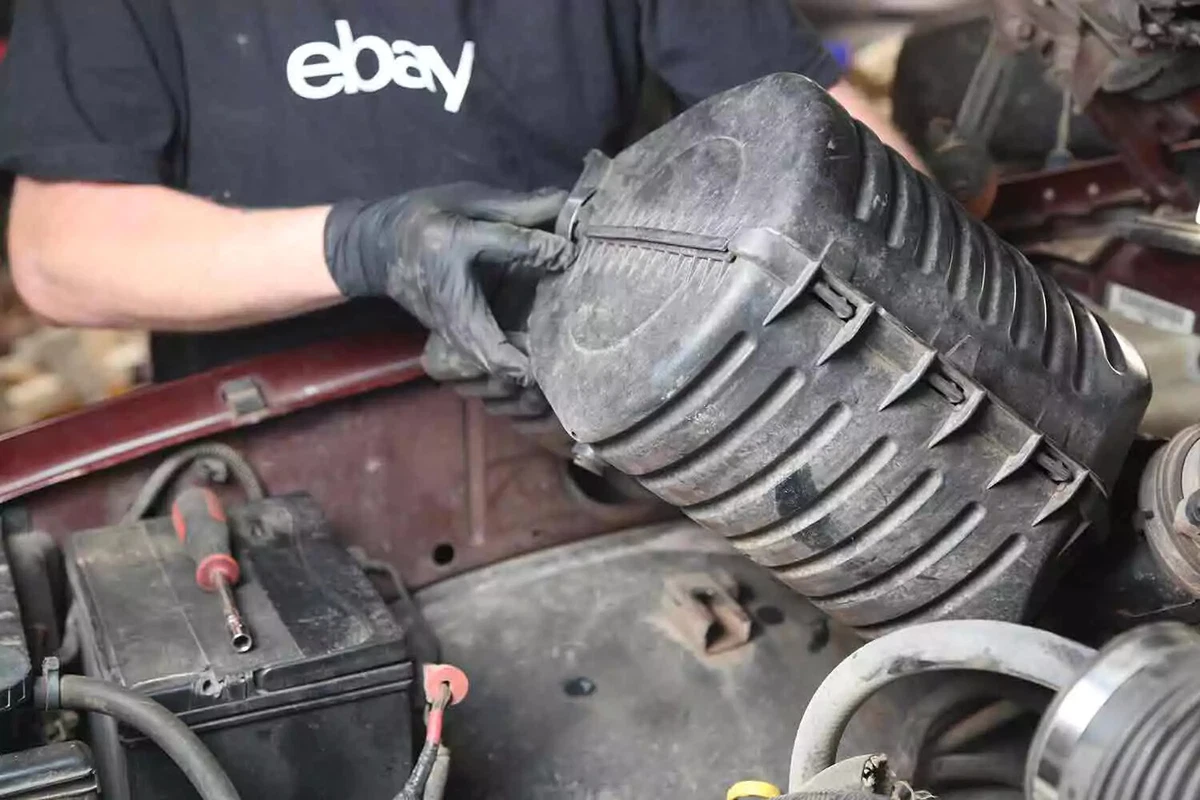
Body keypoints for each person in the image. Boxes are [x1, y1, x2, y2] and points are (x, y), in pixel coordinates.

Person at [0, 1, 922, 383]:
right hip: (271, 452)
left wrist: (943, 250)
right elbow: (59, 250)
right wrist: (365, 246)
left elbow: (839, 153)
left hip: (576, 415)